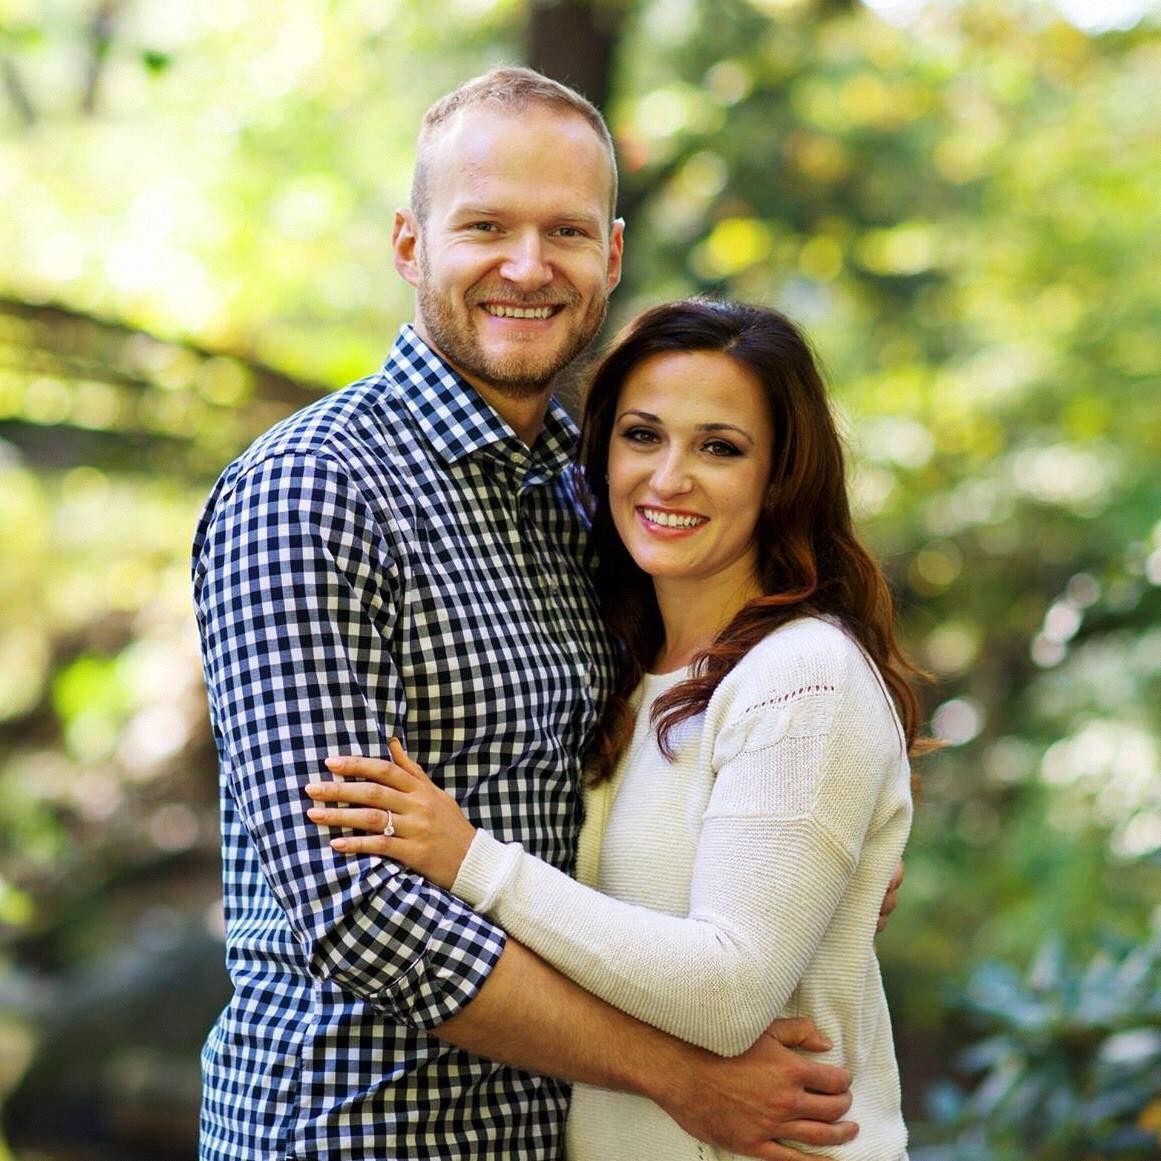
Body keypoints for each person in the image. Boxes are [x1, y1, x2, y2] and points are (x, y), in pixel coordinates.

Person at [193, 68, 863, 1161]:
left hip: (564, 1138)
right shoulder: (311, 491)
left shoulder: (595, 487)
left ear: (610, 255)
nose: (526, 265)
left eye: (565, 231)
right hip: (355, 1133)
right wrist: (680, 1075)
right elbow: (354, 911)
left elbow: (656, 771)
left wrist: (806, 878)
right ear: (411, 246)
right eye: (485, 226)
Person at [305, 298, 921, 1160]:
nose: (669, 477)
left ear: (781, 475)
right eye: (642, 435)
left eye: (719, 446)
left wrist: (472, 859)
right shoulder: (623, 665)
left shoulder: (799, 677)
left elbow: (728, 990)